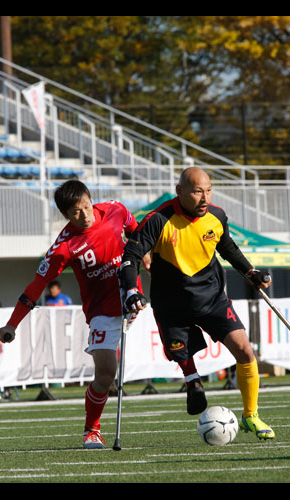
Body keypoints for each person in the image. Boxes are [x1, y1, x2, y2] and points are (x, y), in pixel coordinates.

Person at [118, 166, 275, 440]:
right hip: (171, 304)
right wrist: (131, 289)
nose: (204, 198)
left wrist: (251, 273)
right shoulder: (158, 219)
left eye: (208, 190)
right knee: (182, 354)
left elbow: (228, 248)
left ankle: (251, 415)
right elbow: (130, 256)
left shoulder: (217, 216)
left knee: (245, 350)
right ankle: (193, 381)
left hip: (212, 297)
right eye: (197, 191)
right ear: (180, 191)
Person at [0, 180, 149, 449]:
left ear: (91, 200)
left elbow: (135, 232)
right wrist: (11, 324)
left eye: (87, 207)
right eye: (76, 212)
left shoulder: (116, 210)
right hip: (102, 311)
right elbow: (36, 286)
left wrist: (145, 257)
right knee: (106, 373)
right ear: (66, 215)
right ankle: (92, 429)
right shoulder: (63, 247)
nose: (85, 215)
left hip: (131, 297)